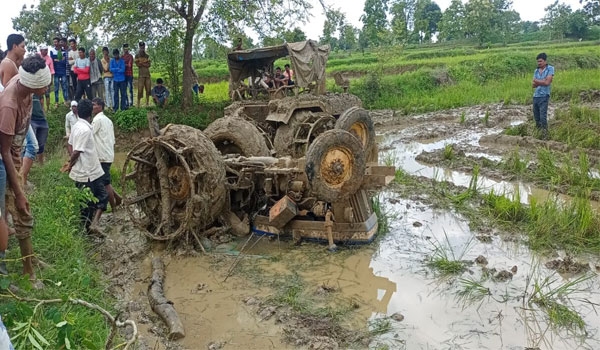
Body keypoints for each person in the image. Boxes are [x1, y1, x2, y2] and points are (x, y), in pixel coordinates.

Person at [0, 55, 51, 284]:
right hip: (3, 162)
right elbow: (4, 151)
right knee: (16, 213)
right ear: (33, 85)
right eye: (45, 85)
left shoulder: (26, 87)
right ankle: (25, 273)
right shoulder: (9, 105)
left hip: (14, 157)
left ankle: (29, 259)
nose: (47, 88)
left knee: (20, 213)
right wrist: (18, 191)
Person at [61, 99, 108, 236]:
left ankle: (88, 230)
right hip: (88, 172)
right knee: (100, 198)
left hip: (87, 171)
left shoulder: (76, 126)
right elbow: (77, 151)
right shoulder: (85, 130)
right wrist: (71, 163)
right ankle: (92, 227)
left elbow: (69, 145)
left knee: (87, 203)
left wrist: (71, 162)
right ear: (91, 113)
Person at [91, 98, 122, 210]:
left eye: (93, 105)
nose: (92, 107)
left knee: (105, 183)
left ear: (99, 106)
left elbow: (89, 134)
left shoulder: (97, 120)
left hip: (102, 156)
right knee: (104, 180)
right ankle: (118, 199)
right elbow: (113, 139)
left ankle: (113, 207)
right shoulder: (108, 120)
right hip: (108, 154)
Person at [532, 52, 554, 140]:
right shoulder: (536, 70)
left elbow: (547, 82)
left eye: (540, 61)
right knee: (536, 116)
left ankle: (545, 134)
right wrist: (542, 81)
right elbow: (533, 85)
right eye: (538, 62)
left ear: (545, 61)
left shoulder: (550, 69)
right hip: (536, 95)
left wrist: (538, 81)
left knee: (543, 116)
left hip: (544, 95)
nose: (539, 63)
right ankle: (538, 133)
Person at [50, 37, 69, 107]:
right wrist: (60, 60)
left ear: (59, 42)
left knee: (65, 87)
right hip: (56, 72)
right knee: (56, 88)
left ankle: (66, 101)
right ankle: (56, 102)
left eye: (56, 42)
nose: (55, 43)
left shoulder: (64, 51)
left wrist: (57, 60)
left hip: (63, 71)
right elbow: (52, 61)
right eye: (54, 42)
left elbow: (64, 62)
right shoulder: (52, 51)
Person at [37, 44, 54, 111]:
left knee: (47, 94)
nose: (46, 51)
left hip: (46, 78)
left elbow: (52, 70)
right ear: (41, 50)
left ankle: (48, 108)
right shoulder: (37, 56)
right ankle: (42, 109)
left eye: (47, 50)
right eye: (45, 50)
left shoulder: (49, 59)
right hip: (39, 79)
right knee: (40, 95)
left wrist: (51, 79)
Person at [134, 42, 151, 107]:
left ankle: (147, 103)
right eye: (141, 47)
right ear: (139, 47)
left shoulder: (147, 56)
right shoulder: (137, 56)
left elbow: (149, 65)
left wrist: (142, 63)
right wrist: (145, 62)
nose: (142, 49)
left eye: (143, 47)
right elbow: (138, 65)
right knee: (140, 89)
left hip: (147, 75)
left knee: (148, 89)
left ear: (144, 47)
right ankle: (138, 104)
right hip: (141, 75)